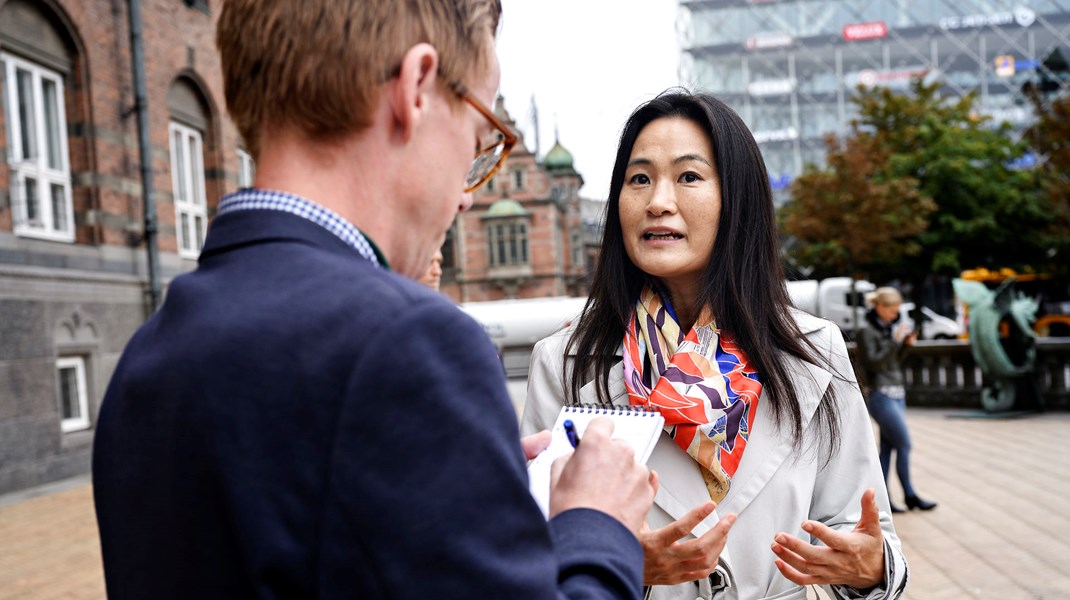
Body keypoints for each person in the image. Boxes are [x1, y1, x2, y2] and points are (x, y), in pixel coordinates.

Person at [91, 1, 656, 598]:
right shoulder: (410, 343)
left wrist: (462, 477)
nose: (467, 197)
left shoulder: (147, 354)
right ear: (416, 86)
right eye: (479, 138)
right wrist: (597, 525)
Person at [520, 90, 909, 600]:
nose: (658, 201)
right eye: (639, 179)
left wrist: (871, 569)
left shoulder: (815, 351)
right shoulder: (564, 361)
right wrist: (625, 566)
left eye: (688, 177)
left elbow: (867, 535)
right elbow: (528, 554)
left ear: (737, 200)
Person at [857, 287, 937, 513]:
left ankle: (882, 500)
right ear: (880, 307)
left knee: (888, 448)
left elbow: (893, 363)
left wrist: (904, 346)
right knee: (904, 443)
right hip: (881, 394)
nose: (895, 315)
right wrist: (894, 341)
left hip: (897, 393)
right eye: (892, 310)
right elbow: (874, 363)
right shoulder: (866, 331)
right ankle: (910, 494)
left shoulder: (887, 329)